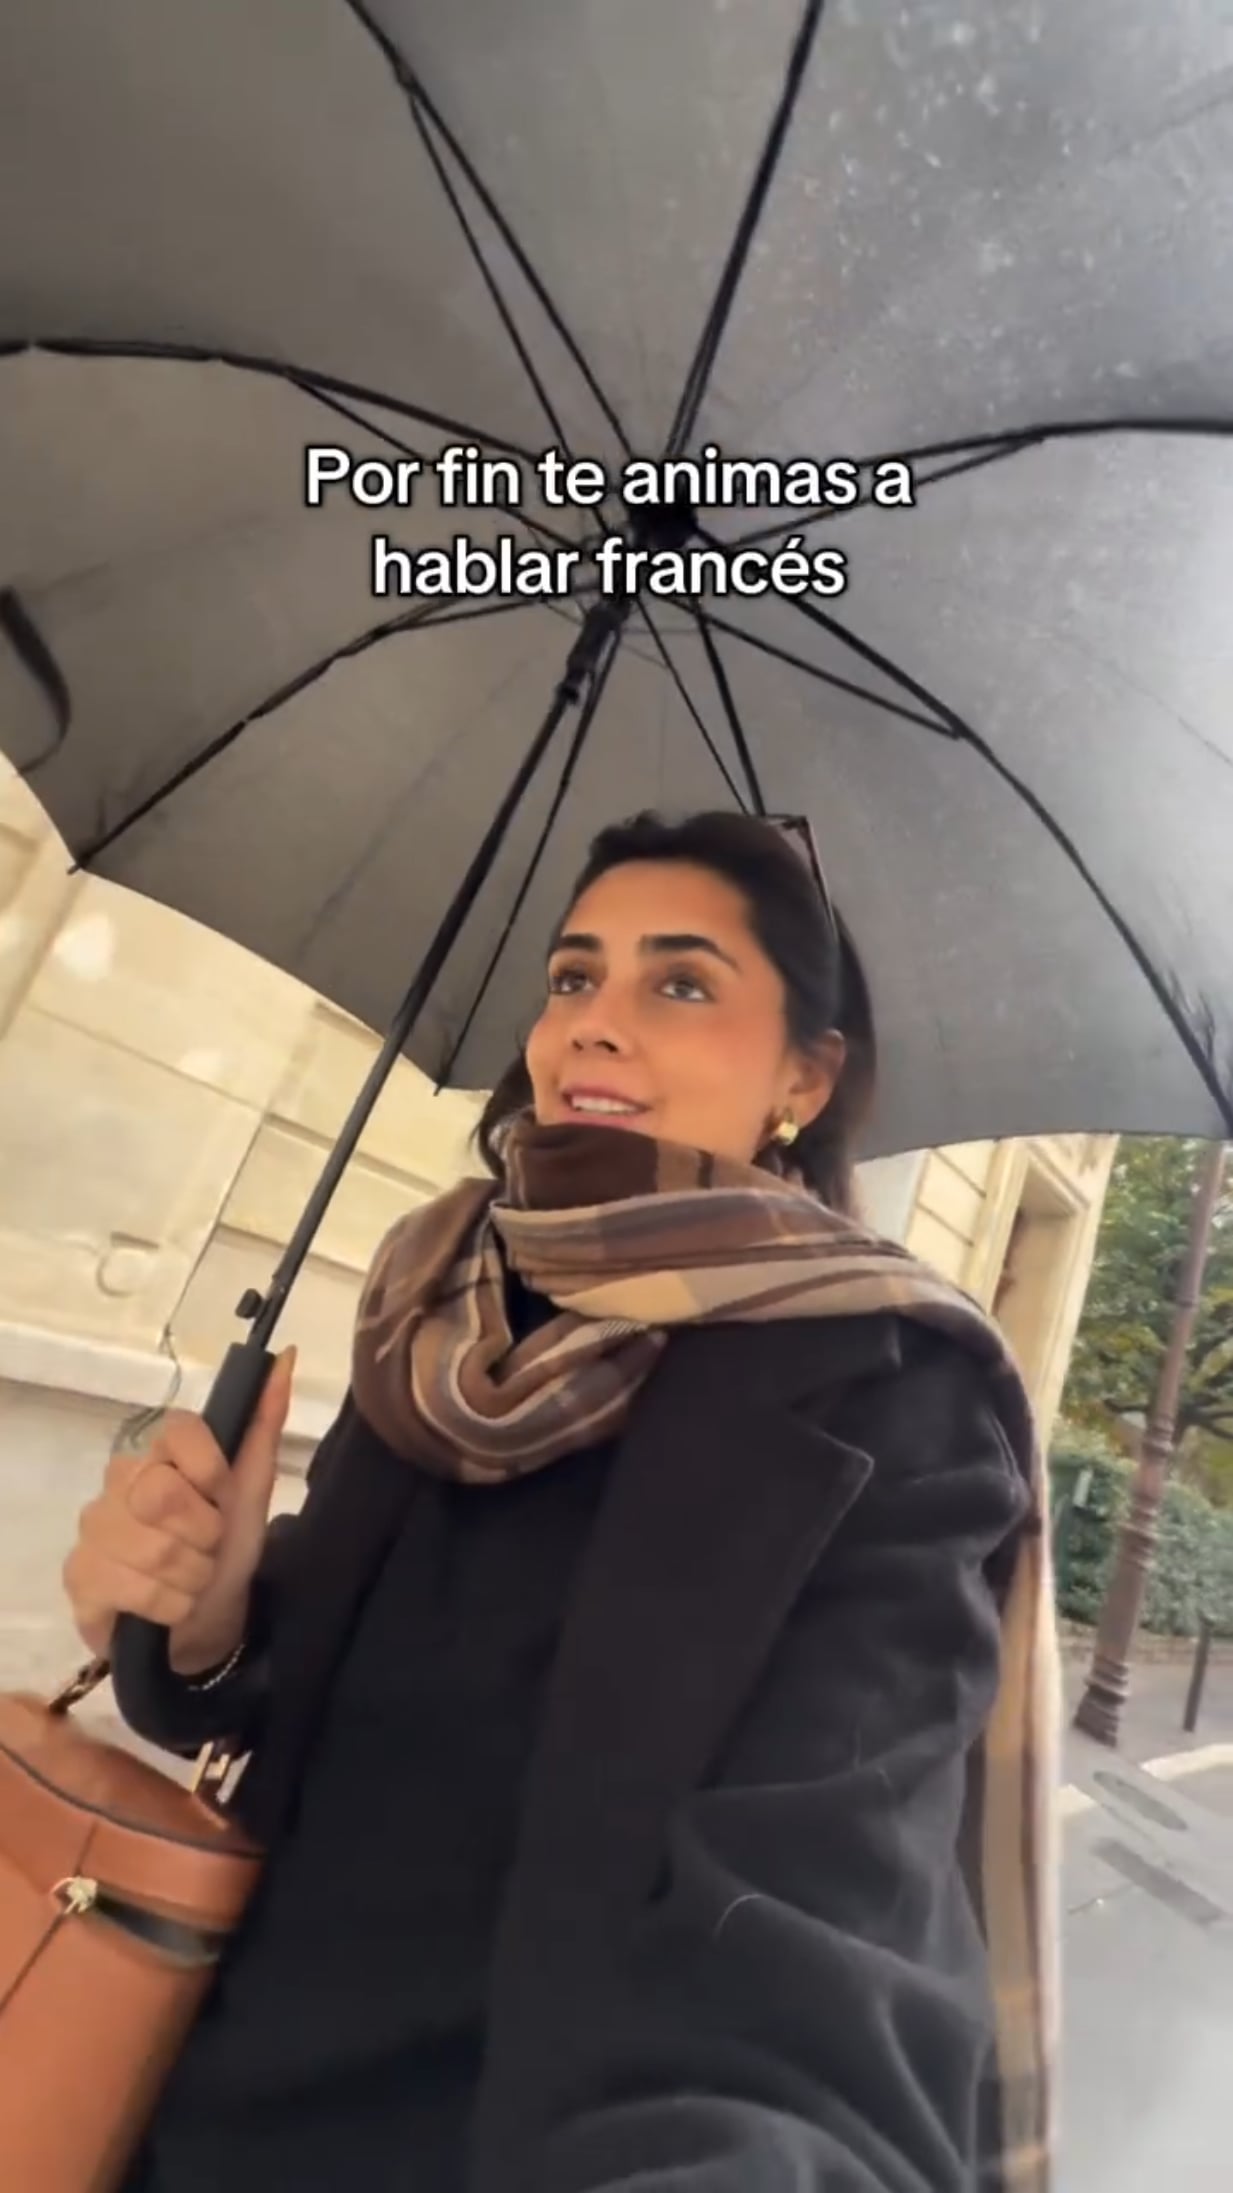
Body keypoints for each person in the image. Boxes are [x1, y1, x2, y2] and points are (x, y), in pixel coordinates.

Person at [63, 808, 1058, 2193]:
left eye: (682, 983)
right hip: (189, 2109)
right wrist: (211, 1618)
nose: (595, 1021)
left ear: (805, 1076)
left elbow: (819, 1947)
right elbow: (320, 1701)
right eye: (573, 975)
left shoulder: (889, 1396)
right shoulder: (445, 1298)